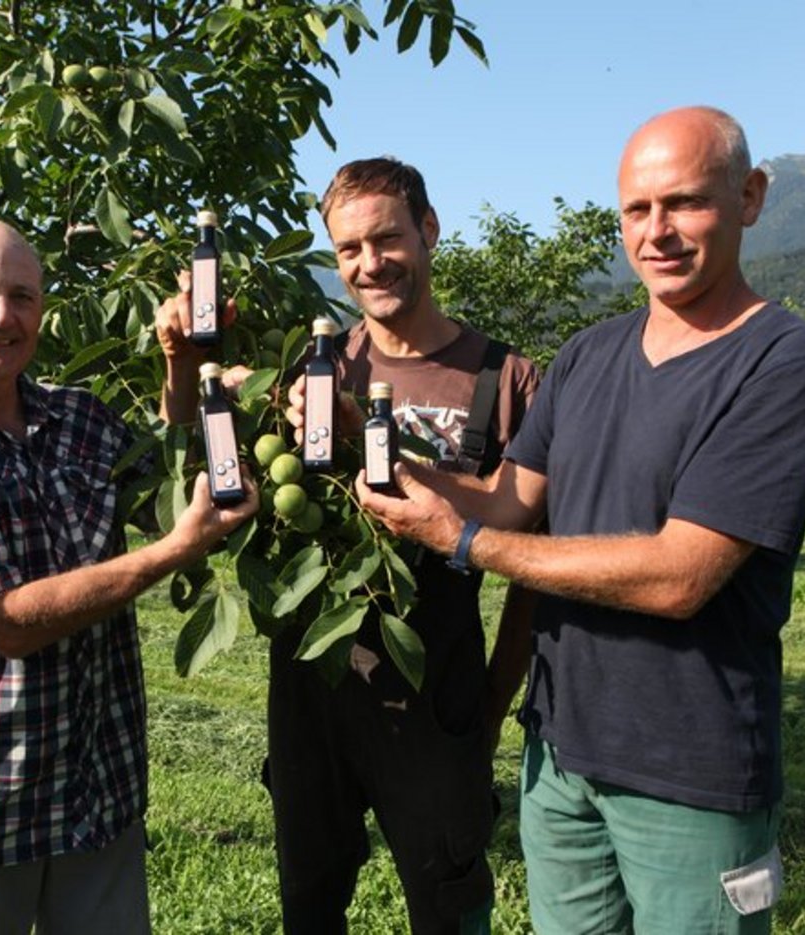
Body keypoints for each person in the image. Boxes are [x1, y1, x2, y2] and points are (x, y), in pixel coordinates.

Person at [356, 107, 805, 934]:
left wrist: (469, 543)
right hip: (561, 755)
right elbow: (508, 498)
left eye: (684, 203)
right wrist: (383, 459)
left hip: (691, 771)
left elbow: (680, 576)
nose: (657, 231)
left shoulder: (787, 363)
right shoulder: (588, 355)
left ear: (751, 196)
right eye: (636, 210)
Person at [158, 158, 540, 934]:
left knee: (449, 904)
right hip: (310, 693)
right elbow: (205, 457)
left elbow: (532, 559)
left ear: (429, 231)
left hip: (436, 689)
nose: (370, 264)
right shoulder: (307, 365)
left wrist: (492, 704)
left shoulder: (506, 379)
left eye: (387, 238)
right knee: (310, 900)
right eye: (349, 249)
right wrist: (187, 363)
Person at [0, 218, 258, 935]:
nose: (1, 316)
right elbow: (9, 623)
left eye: (21, 296)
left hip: (96, 795)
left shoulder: (77, 419)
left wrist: (184, 364)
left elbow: (168, 487)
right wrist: (171, 552)